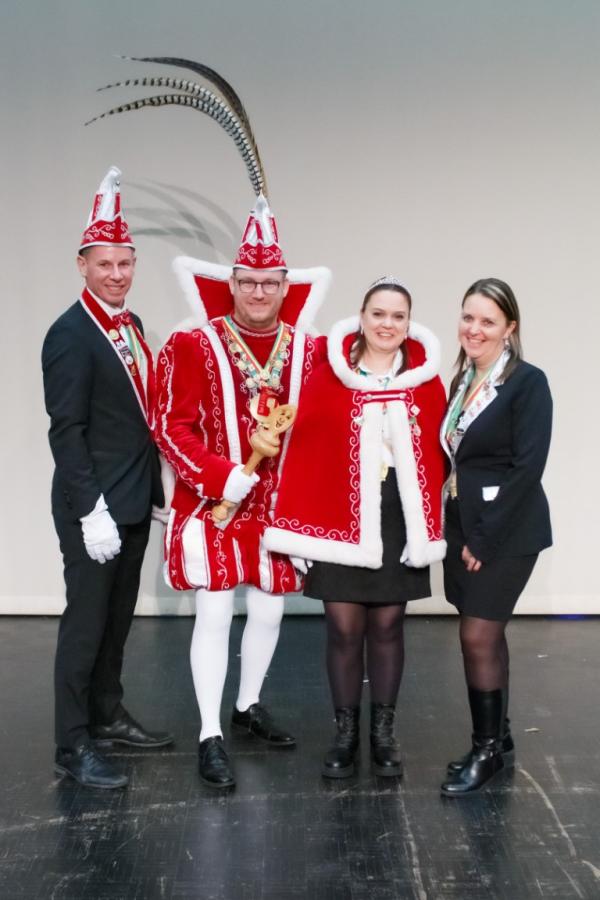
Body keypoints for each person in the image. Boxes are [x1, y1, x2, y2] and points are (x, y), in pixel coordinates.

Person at [154, 194, 331, 788]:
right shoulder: (191, 345)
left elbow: (324, 430)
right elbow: (168, 426)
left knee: (270, 608)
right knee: (213, 611)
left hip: (277, 509)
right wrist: (219, 474)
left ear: (285, 286)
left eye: (269, 283)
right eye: (249, 282)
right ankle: (210, 733)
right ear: (231, 283)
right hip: (213, 505)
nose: (258, 292)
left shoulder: (310, 351)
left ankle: (247, 705)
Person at [264, 276, 447, 778]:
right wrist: (302, 523)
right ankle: (345, 734)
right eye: (378, 314)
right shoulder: (329, 376)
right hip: (338, 513)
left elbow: (438, 457)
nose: (387, 324)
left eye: (398, 316)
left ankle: (383, 733)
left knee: (387, 626)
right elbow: (306, 453)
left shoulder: (424, 381)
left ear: (409, 324)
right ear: (361, 317)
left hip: (398, 515)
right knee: (344, 628)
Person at [42, 167, 172, 790]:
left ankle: (106, 713)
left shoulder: (133, 326)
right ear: (83, 265)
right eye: (104, 264)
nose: (116, 274)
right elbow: (66, 431)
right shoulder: (70, 335)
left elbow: (139, 419)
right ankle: (71, 744)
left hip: (133, 500)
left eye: (124, 263)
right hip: (91, 506)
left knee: (119, 620)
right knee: (86, 625)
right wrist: (91, 509)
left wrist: (155, 493)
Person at [439, 277, 552, 797]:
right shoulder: (461, 380)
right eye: (468, 317)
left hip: (505, 530)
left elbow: (527, 468)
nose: (474, 329)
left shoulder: (527, 382)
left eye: (488, 321)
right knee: (488, 632)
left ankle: (484, 751)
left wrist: (483, 539)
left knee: (477, 636)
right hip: (463, 523)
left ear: (510, 327)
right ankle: (499, 738)